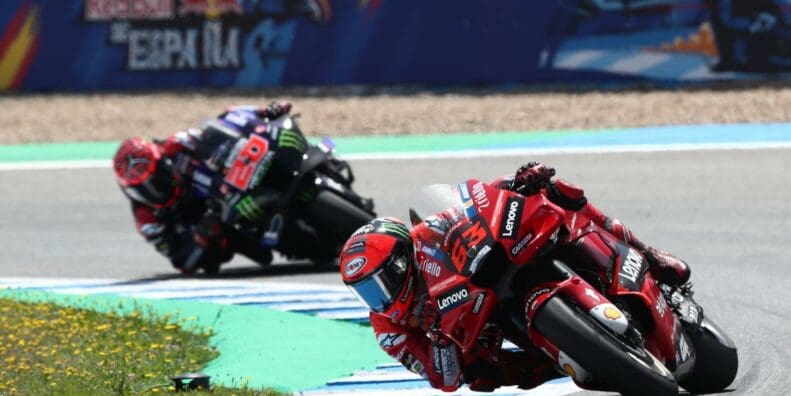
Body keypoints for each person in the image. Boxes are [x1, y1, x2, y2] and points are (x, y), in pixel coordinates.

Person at [338, 162, 691, 392]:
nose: (379, 297)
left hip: (490, 270)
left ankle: (649, 254)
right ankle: (569, 358)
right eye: (366, 291)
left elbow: (473, 203)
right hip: (479, 332)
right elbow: (443, 379)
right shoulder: (388, 329)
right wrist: (442, 341)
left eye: (382, 281)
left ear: (403, 259)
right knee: (489, 377)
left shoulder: (425, 235)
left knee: (559, 197)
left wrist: (515, 182)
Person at [112, 100, 292, 274]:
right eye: (142, 188)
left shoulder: (175, 144)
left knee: (244, 130)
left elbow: (225, 124)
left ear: (163, 162)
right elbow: (181, 261)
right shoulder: (146, 220)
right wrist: (201, 236)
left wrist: (262, 113)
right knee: (225, 257)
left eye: (156, 178)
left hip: (230, 185)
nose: (153, 189)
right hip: (217, 227)